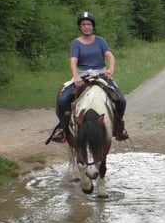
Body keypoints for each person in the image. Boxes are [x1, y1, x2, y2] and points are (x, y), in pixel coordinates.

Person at [50, 11, 129, 143]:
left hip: (100, 75)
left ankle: (119, 127)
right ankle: (62, 129)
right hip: (82, 76)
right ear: (80, 27)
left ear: (93, 26)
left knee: (121, 100)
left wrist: (110, 69)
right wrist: (76, 76)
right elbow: (73, 61)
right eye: (83, 24)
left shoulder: (100, 41)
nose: (86, 27)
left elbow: (109, 56)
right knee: (62, 100)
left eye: (89, 24)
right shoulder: (76, 43)